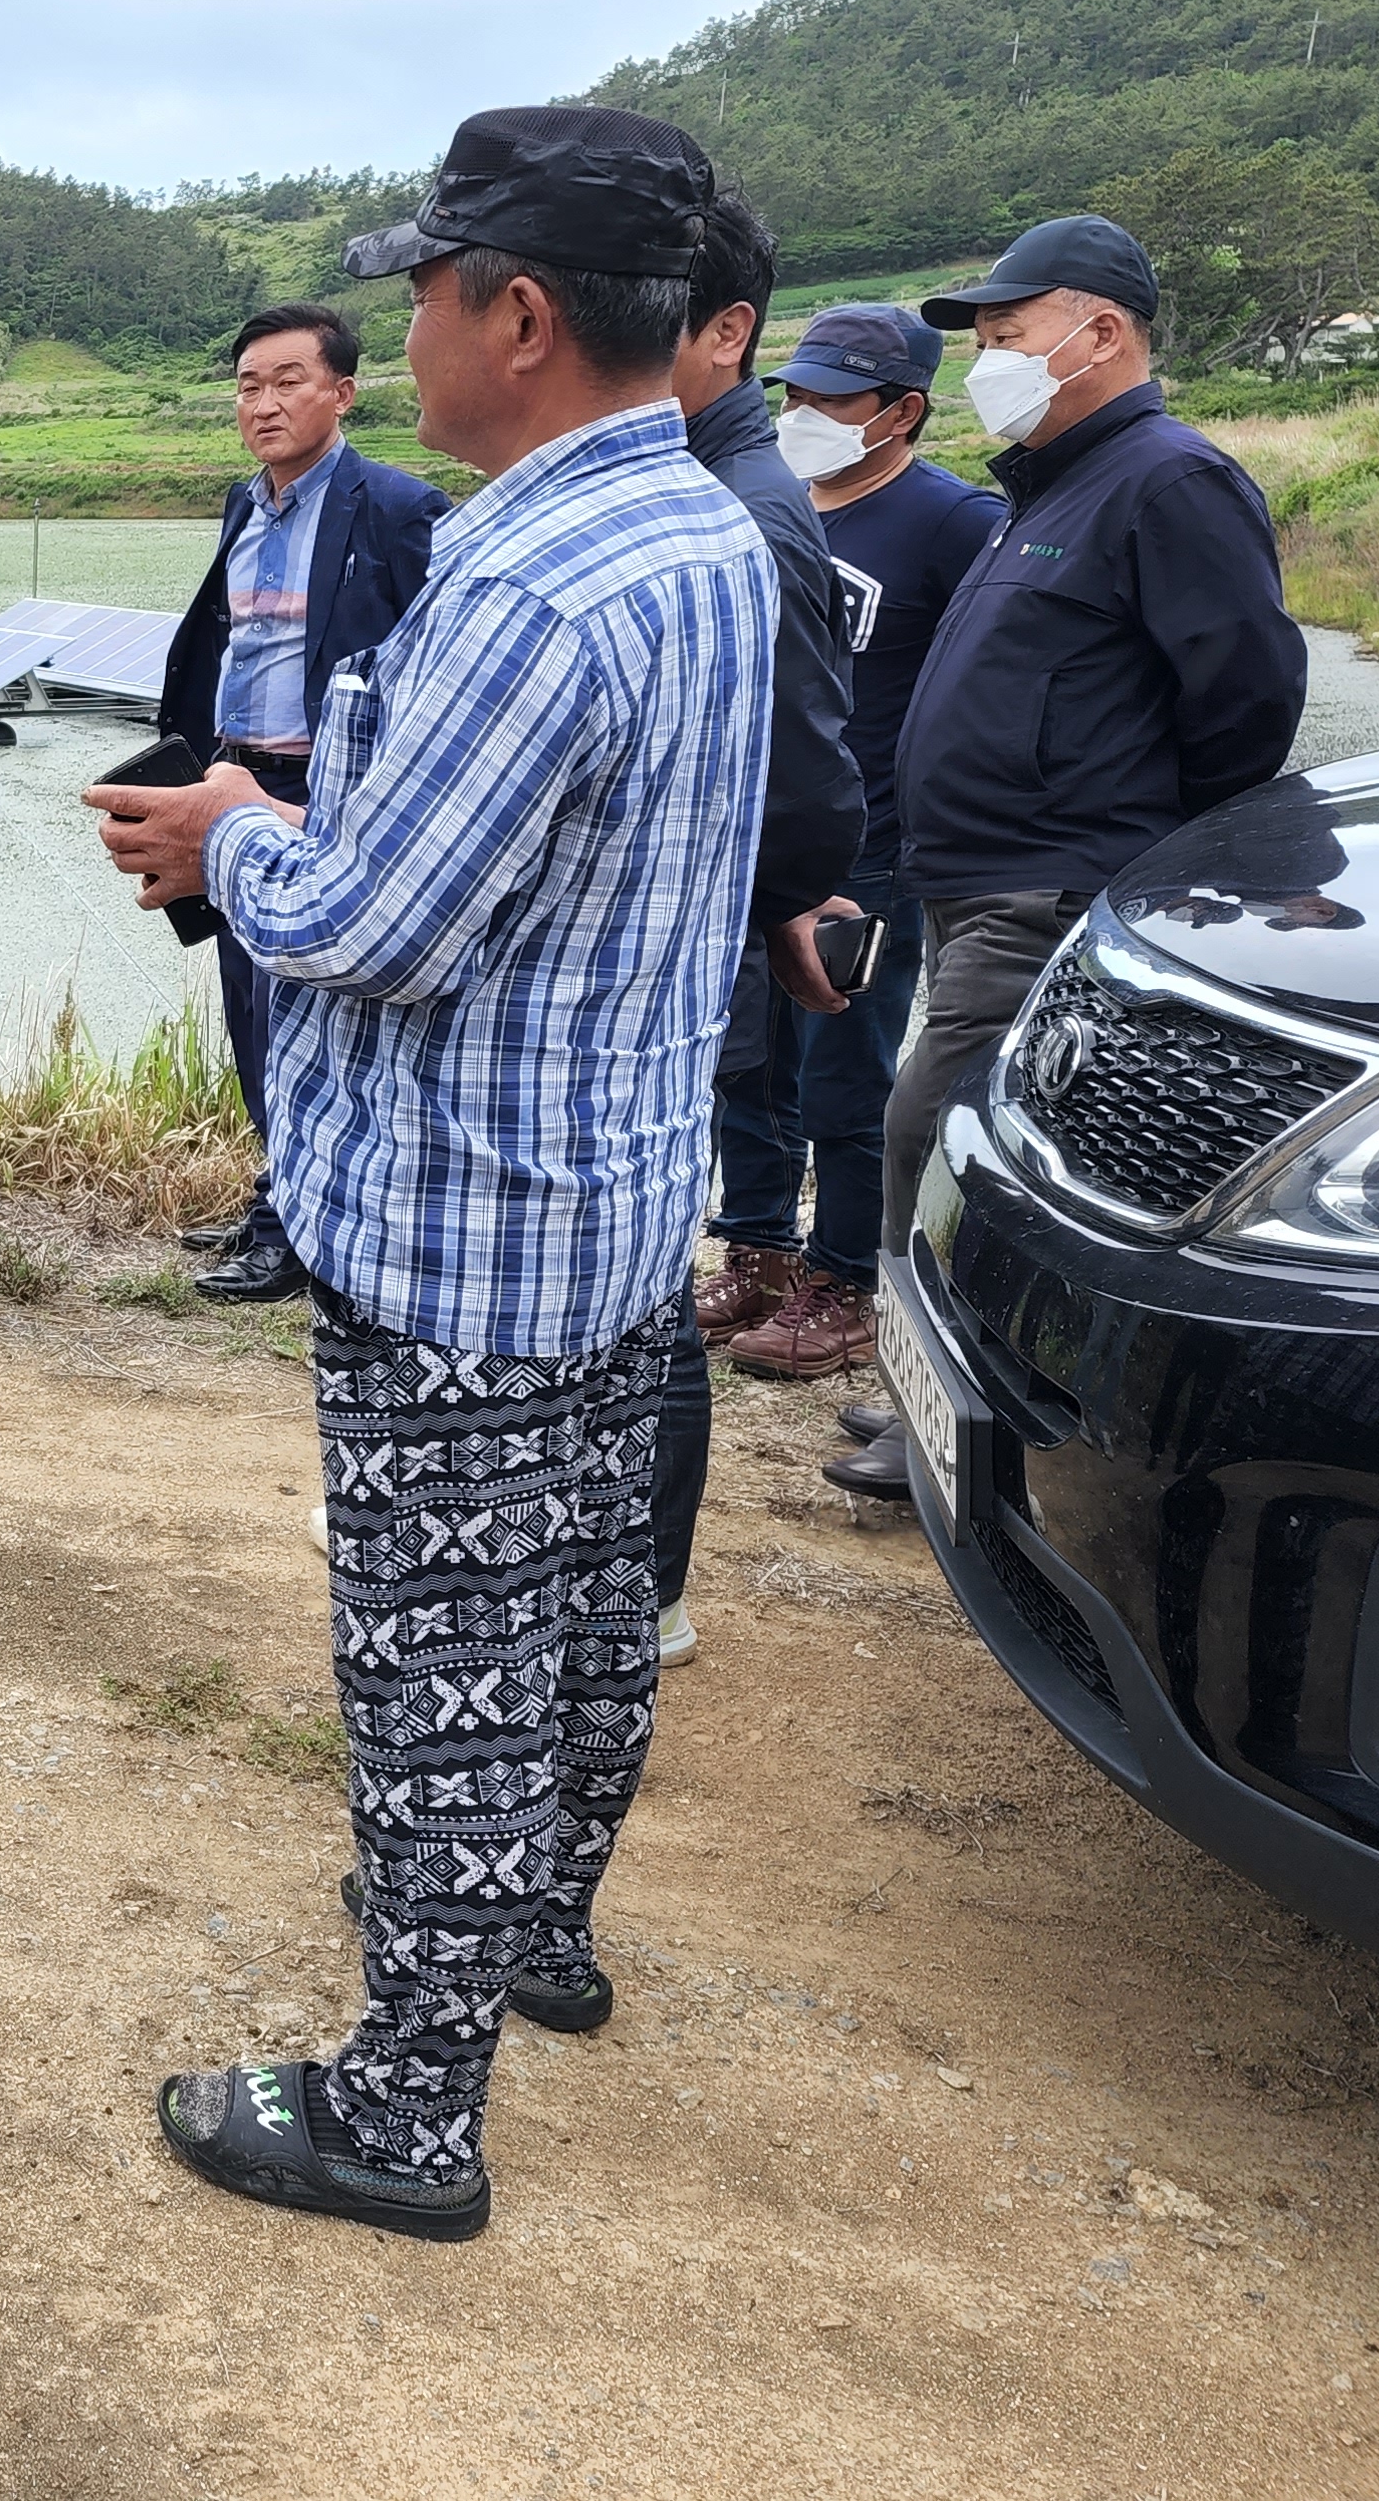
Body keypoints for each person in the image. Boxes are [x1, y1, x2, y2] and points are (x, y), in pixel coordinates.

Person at [91, 106, 771, 2240]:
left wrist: (226, 841)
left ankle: (405, 2110)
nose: (400, 331)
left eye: (422, 292)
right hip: (611, 1189)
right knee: (574, 1618)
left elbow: (378, 921)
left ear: (522, 314)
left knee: (438, 1667)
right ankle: (531, 1942)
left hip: (461, 1220)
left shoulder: (528, 579)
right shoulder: (700, 538)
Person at [837, 214, 1308, 1503]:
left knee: (932, 1133)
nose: (987, 358)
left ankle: (944, 1407)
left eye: (1006, 333)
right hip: (972, 882)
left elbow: (1246, 702)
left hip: (1049, 890)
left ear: (1100, 333)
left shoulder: (1166, 481)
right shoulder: (1043, 491)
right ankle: (933, 1392)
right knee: (965, 1146)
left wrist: (1137, 865)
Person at [638, 187, 865, 1667]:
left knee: (646, 1277)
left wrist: (786, 907)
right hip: (713, 926)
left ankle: (646, 1585)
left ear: (726, 332)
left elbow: (808, 755)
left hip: (695, 937)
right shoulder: (713, 475)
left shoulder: (746, 506)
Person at [706, 306, 1004, 1392]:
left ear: (902, 413)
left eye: (834, 400)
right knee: (748, 1057)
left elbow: (988, 682)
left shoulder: (953, 524)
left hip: (875, 849)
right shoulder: (765, 504)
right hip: (757, 837)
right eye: (795, 396)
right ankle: (756, 1248)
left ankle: (842, 1281)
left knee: (847, 1069)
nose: (806, 417)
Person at [153, 302, 444, 1304]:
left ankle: (307, 1226)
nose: (264, 404)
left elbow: (430, 666)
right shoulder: (247, 504)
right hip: (236, 776)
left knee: (313, 1009)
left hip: (327, 791)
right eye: (247, 385)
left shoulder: (400, 510)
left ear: (342, 393)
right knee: (249, 1002)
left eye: (286, 381)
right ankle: (278, 1200)